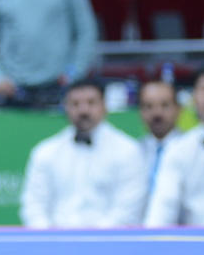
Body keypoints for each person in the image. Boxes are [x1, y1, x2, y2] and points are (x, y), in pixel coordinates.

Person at [19, 81, 147, 228]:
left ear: (104, 106)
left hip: (110, 243)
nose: (83, 110)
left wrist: (94, 241)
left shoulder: (128, 150)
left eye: (91, 103)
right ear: (65, 107)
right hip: (56, 243)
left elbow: (128, 209)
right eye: (75, 104)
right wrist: (49, 239)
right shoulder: (45, 152)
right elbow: (34, 205)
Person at [145, 67, 204, 227]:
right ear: (194, 98)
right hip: (191, 244)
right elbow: (164, 204)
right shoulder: (179, 148)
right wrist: (153, 239)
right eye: (203, 89)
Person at [137, 79, 183, 195]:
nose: (157, 113)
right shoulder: (133, 152)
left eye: (165, 105)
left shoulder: (191, 148)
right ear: (140, 112)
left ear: (178, 109)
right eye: (149, 106)